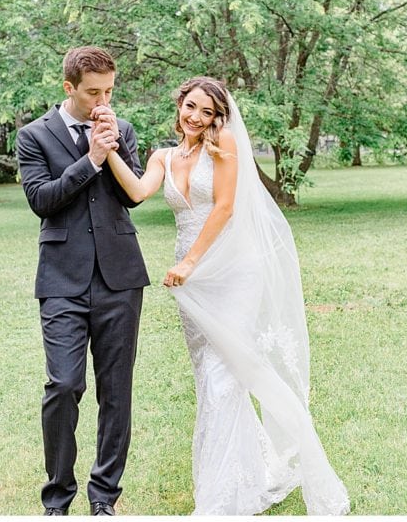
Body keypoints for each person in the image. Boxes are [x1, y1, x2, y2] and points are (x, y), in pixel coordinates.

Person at [97, 76, 349, 515]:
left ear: (219, 117)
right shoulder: (163, 156)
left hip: (231, 268)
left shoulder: (224, 144)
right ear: (179, 105)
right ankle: (242, 477)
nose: (196, 117)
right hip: (189, 280)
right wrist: (109, 151)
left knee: (226, 376)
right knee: (210, 379)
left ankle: (222, 497)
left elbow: (225, 207)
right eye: (190, 107)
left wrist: (191, 262)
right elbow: (137, 192)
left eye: (207, 112)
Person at [16, 46, 149, 516]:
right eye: (93, 92)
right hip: (61, 279)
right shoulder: (33, 136)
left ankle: (104, 497)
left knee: (117, 389)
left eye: (110, 91)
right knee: (64, 385)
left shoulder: (123, 129)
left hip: (120, 278)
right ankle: (57, 496)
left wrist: (111, 150)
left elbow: (133, 194)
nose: (103, 101)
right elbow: (42, 200)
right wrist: (90, 159)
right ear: (69, 87)